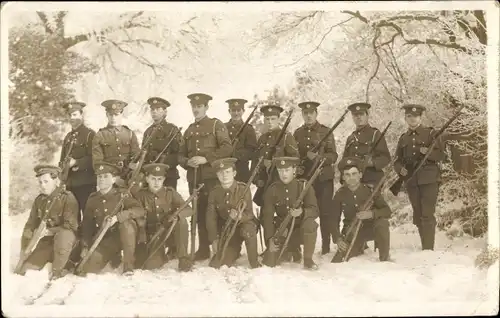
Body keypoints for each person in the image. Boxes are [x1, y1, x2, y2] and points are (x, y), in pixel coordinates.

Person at [178, 93, 233, 261]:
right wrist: (188, 162)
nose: (196, 109)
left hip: (213, 178)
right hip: (194, 179)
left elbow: (227, 148)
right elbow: (180, 157)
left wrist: (206, 159)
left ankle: (221, 248)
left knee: (216, 213)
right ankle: (203, 249)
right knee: (198, 213)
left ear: (206, 107)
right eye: (193, 107)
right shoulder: (188, 130)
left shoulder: (216, 125)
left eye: (199, 106)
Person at [393, 104, 445, 251]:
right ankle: (425, 246)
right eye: (409, 116)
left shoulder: (431, 134)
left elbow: (442, 155)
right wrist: (400, 170)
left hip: (429, 180)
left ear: (420, 117)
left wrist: (428, 151)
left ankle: (428, 249)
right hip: (412, 181)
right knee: (418, 214)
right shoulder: (403, 138)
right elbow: (396, 160)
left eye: (415, 116)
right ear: (405, 118)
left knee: (427, 214)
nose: (412, 119)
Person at [79, 162, 146, 275]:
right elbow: (87, 225)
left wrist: (118, 217)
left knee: (126, 224)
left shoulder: (122, 195)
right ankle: (113, 257)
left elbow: (140, 210)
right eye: (99, 177)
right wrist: (85, 246)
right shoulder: (93, 199)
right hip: (106, 239)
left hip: (124, 236)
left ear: (114, 179)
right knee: (89, 268)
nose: (102, 180)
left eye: (106, 176)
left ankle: (128, 266)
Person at [18, 165, 79, 280]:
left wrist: (49, 231)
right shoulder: (40, 200)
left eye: (46, 181)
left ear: (56, 181)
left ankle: (59, 270)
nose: (42, 185)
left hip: (66, 241)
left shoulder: (67, 198)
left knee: (64, 236)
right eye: (40, 182)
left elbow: (71, 226)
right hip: (47, 241)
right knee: (25, 270)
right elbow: (30, 225)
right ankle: (51, 258)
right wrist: (24, 248)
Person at [293, 101, 338, 255]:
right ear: (302, 115)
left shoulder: (326, 131)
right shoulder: (297, 133)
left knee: (325, 213)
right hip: (305, 179)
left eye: (311, 112)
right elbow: (295, 156)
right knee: (303, 212)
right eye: (305, 113)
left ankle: (325, 247)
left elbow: (333, 156)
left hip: (323, 179)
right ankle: (300, 246)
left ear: (316, 114)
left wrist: (318, 157)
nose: (309, 115)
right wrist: (297, 167)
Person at [261, 157, 319, 270]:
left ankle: (308, 259)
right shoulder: (272, 190)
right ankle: (291, 249)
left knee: (310, 224)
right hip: (282, 230)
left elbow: (315, 211)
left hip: (300, 230)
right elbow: (267, 217)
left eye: (287, 170)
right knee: (269, 263)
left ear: (294, 170)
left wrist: (302, 212)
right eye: (280, 170)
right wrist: (269, 240)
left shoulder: (303, 186)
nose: (284, 174)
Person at [134, 163, 194, 272]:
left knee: (182, 222)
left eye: (159, 179)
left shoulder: (170, 193)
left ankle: (183, 258)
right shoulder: (140, 196)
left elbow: (189, 209)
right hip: (152, 234)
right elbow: (138, 218)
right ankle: (163, 254)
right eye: (153, 179)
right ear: (147, 179)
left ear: (164, 179)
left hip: (169, 232)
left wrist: (175, 216)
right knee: (151, 265)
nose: (156, 182)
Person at [330, 157, 392, 262]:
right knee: (339, 260)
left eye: (354, 174)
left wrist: (371, 214)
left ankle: (384, 259)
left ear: (360, 175)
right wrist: (338, 239)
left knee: (382, 223)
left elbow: (387, 211)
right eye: (347, 175)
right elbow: (333, 219)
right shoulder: (339, 195)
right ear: (343, 177)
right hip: (352, 231)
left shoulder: (371, 191)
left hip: (370, 228)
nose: (351, 177)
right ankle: (359, 247)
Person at [206, 157, 262, 269]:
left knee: (248, 229)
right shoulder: (214, 192)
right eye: (221, 173)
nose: (224, 175)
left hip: (244, 224)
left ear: (234, 173)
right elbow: (211, 218)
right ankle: (235, 250)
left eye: (228, 172)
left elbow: (250, 214)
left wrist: (239, 217)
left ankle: (254, 260)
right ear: (217, 175)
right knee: (220, 262)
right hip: (228, 229)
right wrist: (214, 239)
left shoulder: (243, 189)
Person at [58, 101, 96, 223]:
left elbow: (95, 158)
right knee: (72, 219)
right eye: (69, 115)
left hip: (86, 183)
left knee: (88, 217)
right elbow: (62, 160)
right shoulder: (68, 137)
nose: (72, 118)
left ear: (81, 115)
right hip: (70, 185)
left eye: (75, 114)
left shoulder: (90, 134)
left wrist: (77, 163)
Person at [91, 99, 141, 188]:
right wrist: (114, 179)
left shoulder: (129, 134)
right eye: (111, 115)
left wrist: (133, 169)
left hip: (129, 179)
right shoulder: (100, 135)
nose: (113, 118)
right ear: (107, 115)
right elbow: (98, 163)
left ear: (121, 115)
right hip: (108, 182)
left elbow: (136, 155)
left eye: (116, 115)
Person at [342, 102, 391, 186]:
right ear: (352, 118)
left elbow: (386, 158)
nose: (358, 117)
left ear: (367, 115)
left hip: (371, 180)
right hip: (353, 182)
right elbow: (344, 162)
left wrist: (371, 163)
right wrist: (344, 180)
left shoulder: (375, 134)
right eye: (355, 115)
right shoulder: (351, 138)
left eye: (361, 114)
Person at [142, 97, 183, 190]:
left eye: (158, 109)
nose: (154, 112)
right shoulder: (148, 132)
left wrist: (163, 163)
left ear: (165, 112)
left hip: (168, 175)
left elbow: (180, 153)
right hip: (151, 176)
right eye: (152, 109)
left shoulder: (172, 130)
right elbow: (143, 155)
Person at [224, 98, 258, 183]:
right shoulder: (223, 128)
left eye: (238, 110)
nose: (236, 113)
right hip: (225, 170)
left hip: (242, 171)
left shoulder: (248, 129)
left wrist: (235, 154)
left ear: (243, 111)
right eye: (233, 110)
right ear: (229, 111)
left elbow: (252, 152)